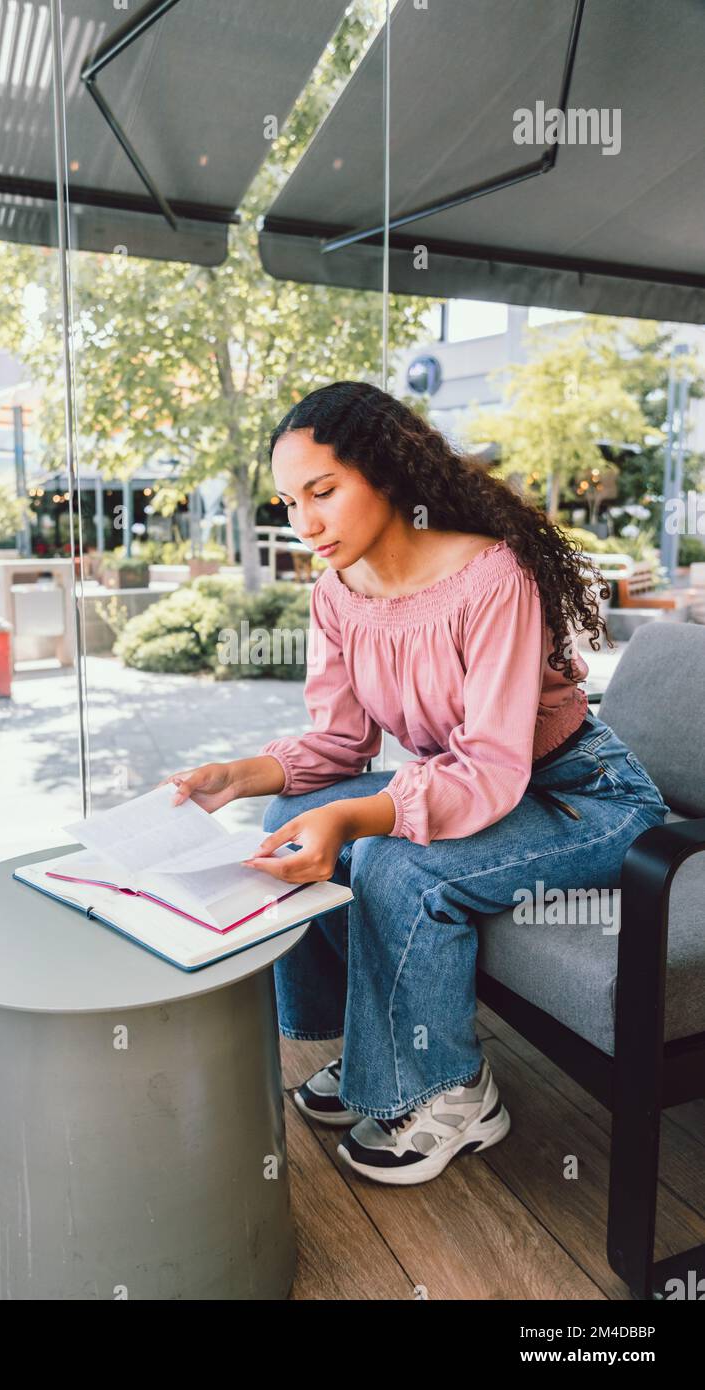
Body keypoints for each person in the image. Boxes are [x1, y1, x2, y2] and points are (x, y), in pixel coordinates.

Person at [155, 380, 670, 1188]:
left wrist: (367, 817)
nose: (306, 523)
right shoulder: (337, 593)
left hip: (588, 799)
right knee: (297, 810)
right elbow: (340, 740)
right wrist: (243, 774)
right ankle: (374, 1048)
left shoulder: (494, 578)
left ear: (387, 475)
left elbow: (496, 766)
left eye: (323, 492)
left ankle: (452, 1092)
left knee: (394, 859)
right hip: (489, 790)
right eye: (290, 502)